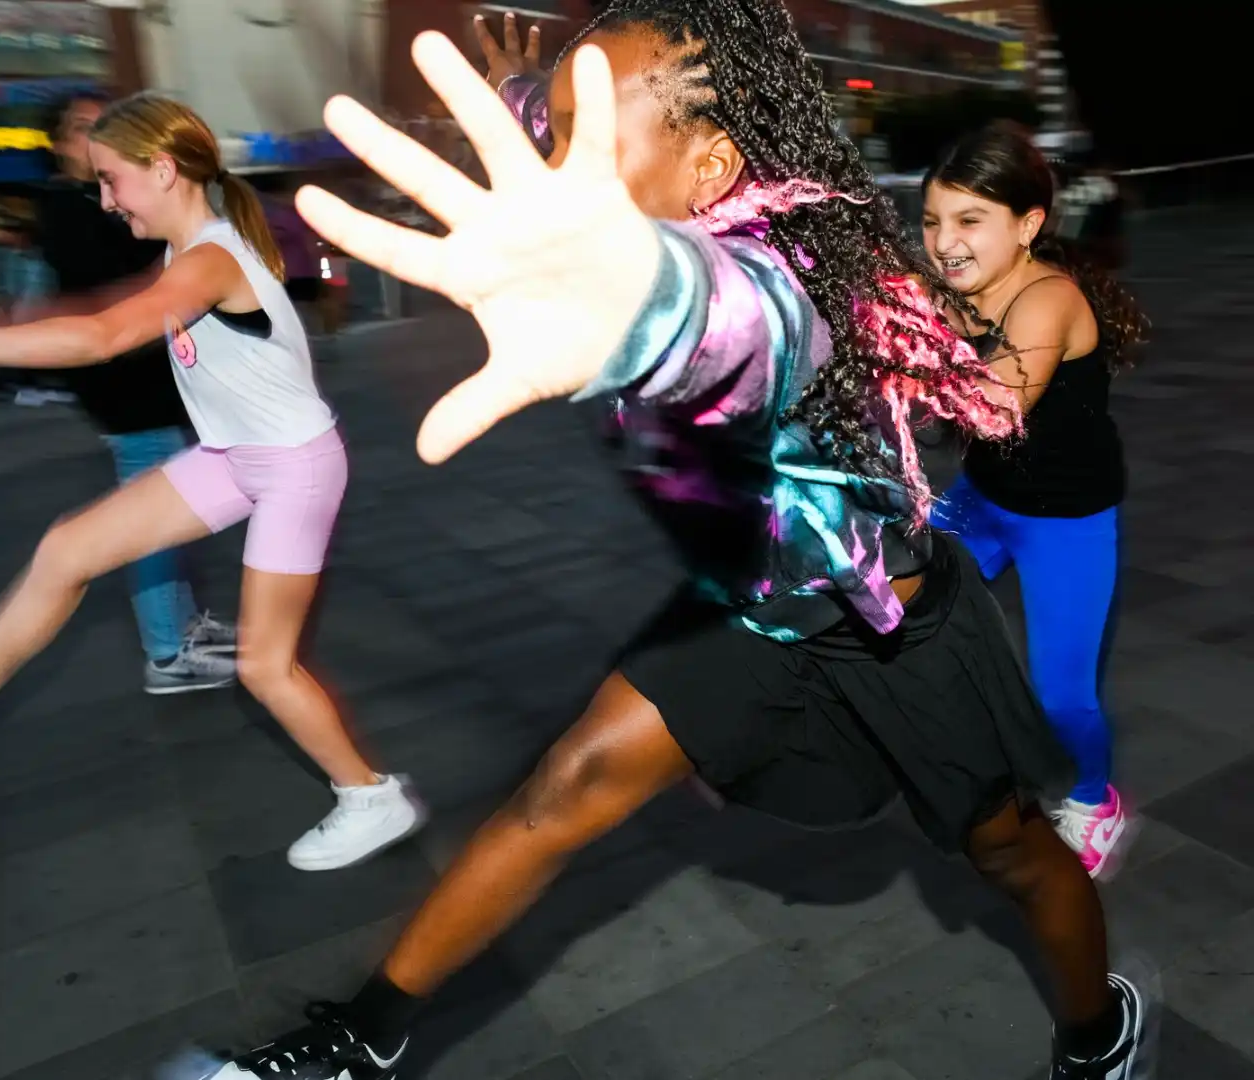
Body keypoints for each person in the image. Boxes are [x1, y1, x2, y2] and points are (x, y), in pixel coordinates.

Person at [198, 5, 1154, 1078]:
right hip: (750, 601)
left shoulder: (784, 273)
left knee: (1011, 852)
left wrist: (641, 310)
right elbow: (580, 167)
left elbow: (733, 321)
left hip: (894, 624)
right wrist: (524, 102)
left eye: (591, 139)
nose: (565, 164)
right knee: (568, 782)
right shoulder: (651, 186)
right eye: (562, 133)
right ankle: (359, 1039)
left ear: (711, 168)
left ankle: (1098, 1032)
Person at [0, 92, 425, 872]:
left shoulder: (210, 258)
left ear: (163, 170)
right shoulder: (186, 253)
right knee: (67, 549)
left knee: (265, 667)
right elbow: (100, 318)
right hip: (234, 456)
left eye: (111, 179)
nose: (105, 199)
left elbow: (102, 335)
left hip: (294, 468)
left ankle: (371, 797)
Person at [922, 123, 1148, 879]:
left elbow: (992, 409)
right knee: (896, 593)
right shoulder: (952, 292)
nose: (944, 241)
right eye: (932, 220)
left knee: (1061, 696)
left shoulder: (1049, 299)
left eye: (969, 220)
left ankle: (1094, 801)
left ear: (1027, 226)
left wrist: (899, 349)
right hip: (983, 499)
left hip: (1065, 525)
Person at [35, 91, 236, 693]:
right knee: (151, 524)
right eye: (82, 126)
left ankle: (182, 627)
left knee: (168, 516)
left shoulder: (92, 202)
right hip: (127, 390)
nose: (98, 131)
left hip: (145, 384)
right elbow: (119, 289)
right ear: (58, 144)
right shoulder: (69, 210)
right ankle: (168, 652)